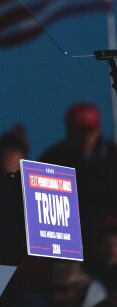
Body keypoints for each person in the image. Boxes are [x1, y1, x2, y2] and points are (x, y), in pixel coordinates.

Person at [39, 103, 117, 258]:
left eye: (89, 131)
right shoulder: (53, 159)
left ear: (97, 130)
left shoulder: (112, 157)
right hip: (70, 243)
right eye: (78, 133)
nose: (85, 138)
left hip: (108, 235)